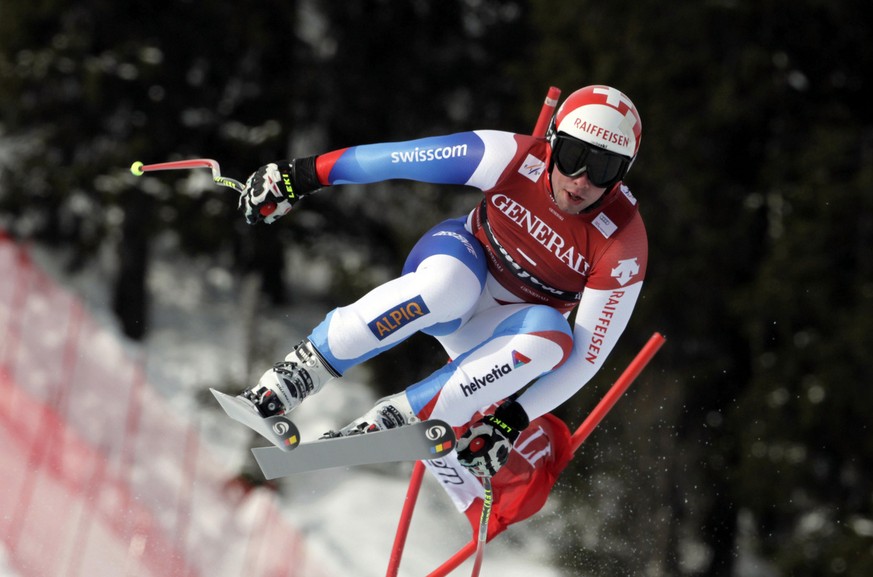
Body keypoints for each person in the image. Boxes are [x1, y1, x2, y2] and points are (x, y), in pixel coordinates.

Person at [236, 85, 647, 478]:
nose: (581, 180)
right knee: (451, 286)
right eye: (573, 155)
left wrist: (511, 420)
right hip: (459, 266)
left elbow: (588, 357)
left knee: (556, 338)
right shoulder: (510, 155)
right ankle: (297, 375)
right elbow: (399, 159)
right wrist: (300, 176)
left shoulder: (622, 243)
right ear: (553, 141)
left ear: (622, 174)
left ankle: (404, 417)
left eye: (603, 168)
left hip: (500, 335)